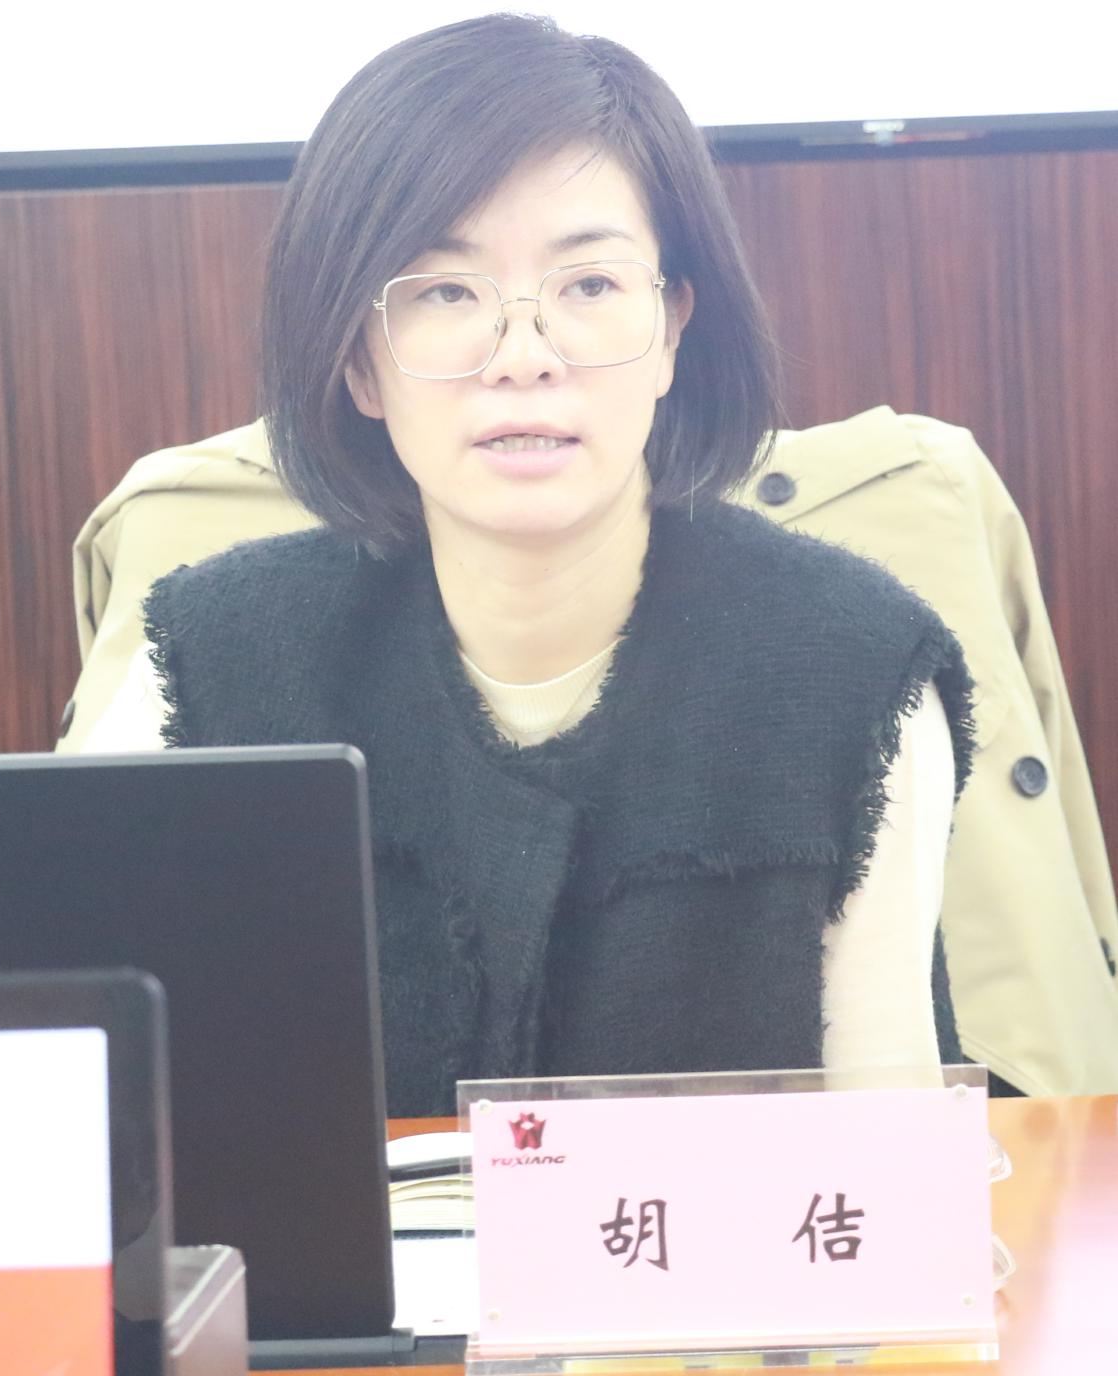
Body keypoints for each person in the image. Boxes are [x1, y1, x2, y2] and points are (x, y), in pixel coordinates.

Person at [97, 14, 978, 1117]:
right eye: (446, 292)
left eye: (590, 286)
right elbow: (91, 1109)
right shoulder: (200, 668)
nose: (524, 356)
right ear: (359, 363)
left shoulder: (853, 669)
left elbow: (886, 1160)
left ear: (672, 331)